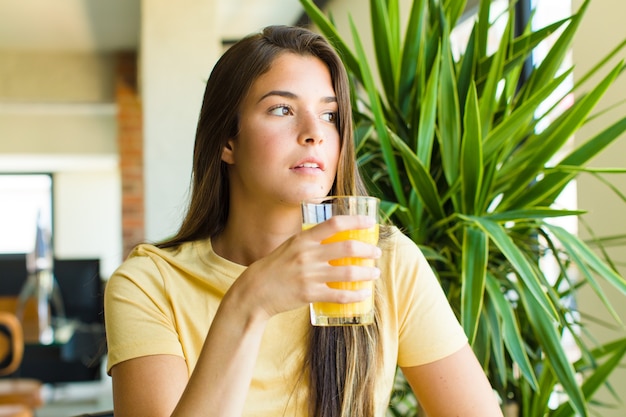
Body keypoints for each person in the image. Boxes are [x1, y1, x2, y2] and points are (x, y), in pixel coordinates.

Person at [104, 25, 503, 417]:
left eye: (329, 115)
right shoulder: (148, 284)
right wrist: (250, 302)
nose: (315, 133)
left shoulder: (381, 261)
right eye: (282, 109)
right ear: (227, 141)